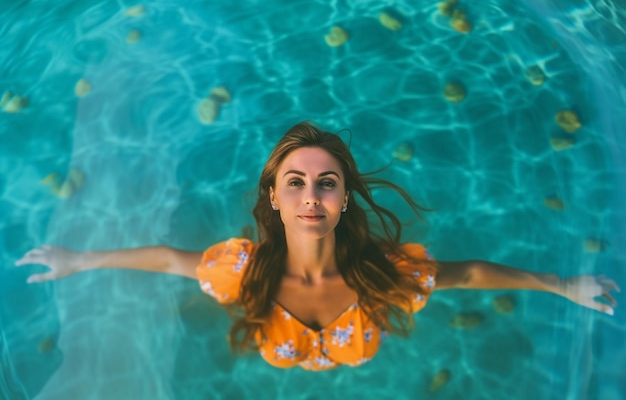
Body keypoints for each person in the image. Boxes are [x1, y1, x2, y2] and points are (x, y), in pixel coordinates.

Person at [16, 122, 619, 371]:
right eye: (295, 183)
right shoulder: (239, 274)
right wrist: (80, 260)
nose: (311, 197)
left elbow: (469, 275)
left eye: (327, 183)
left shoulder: (385, 273)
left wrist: (566, 286)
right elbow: (169, 260)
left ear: (345, 199)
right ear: (274, 200)